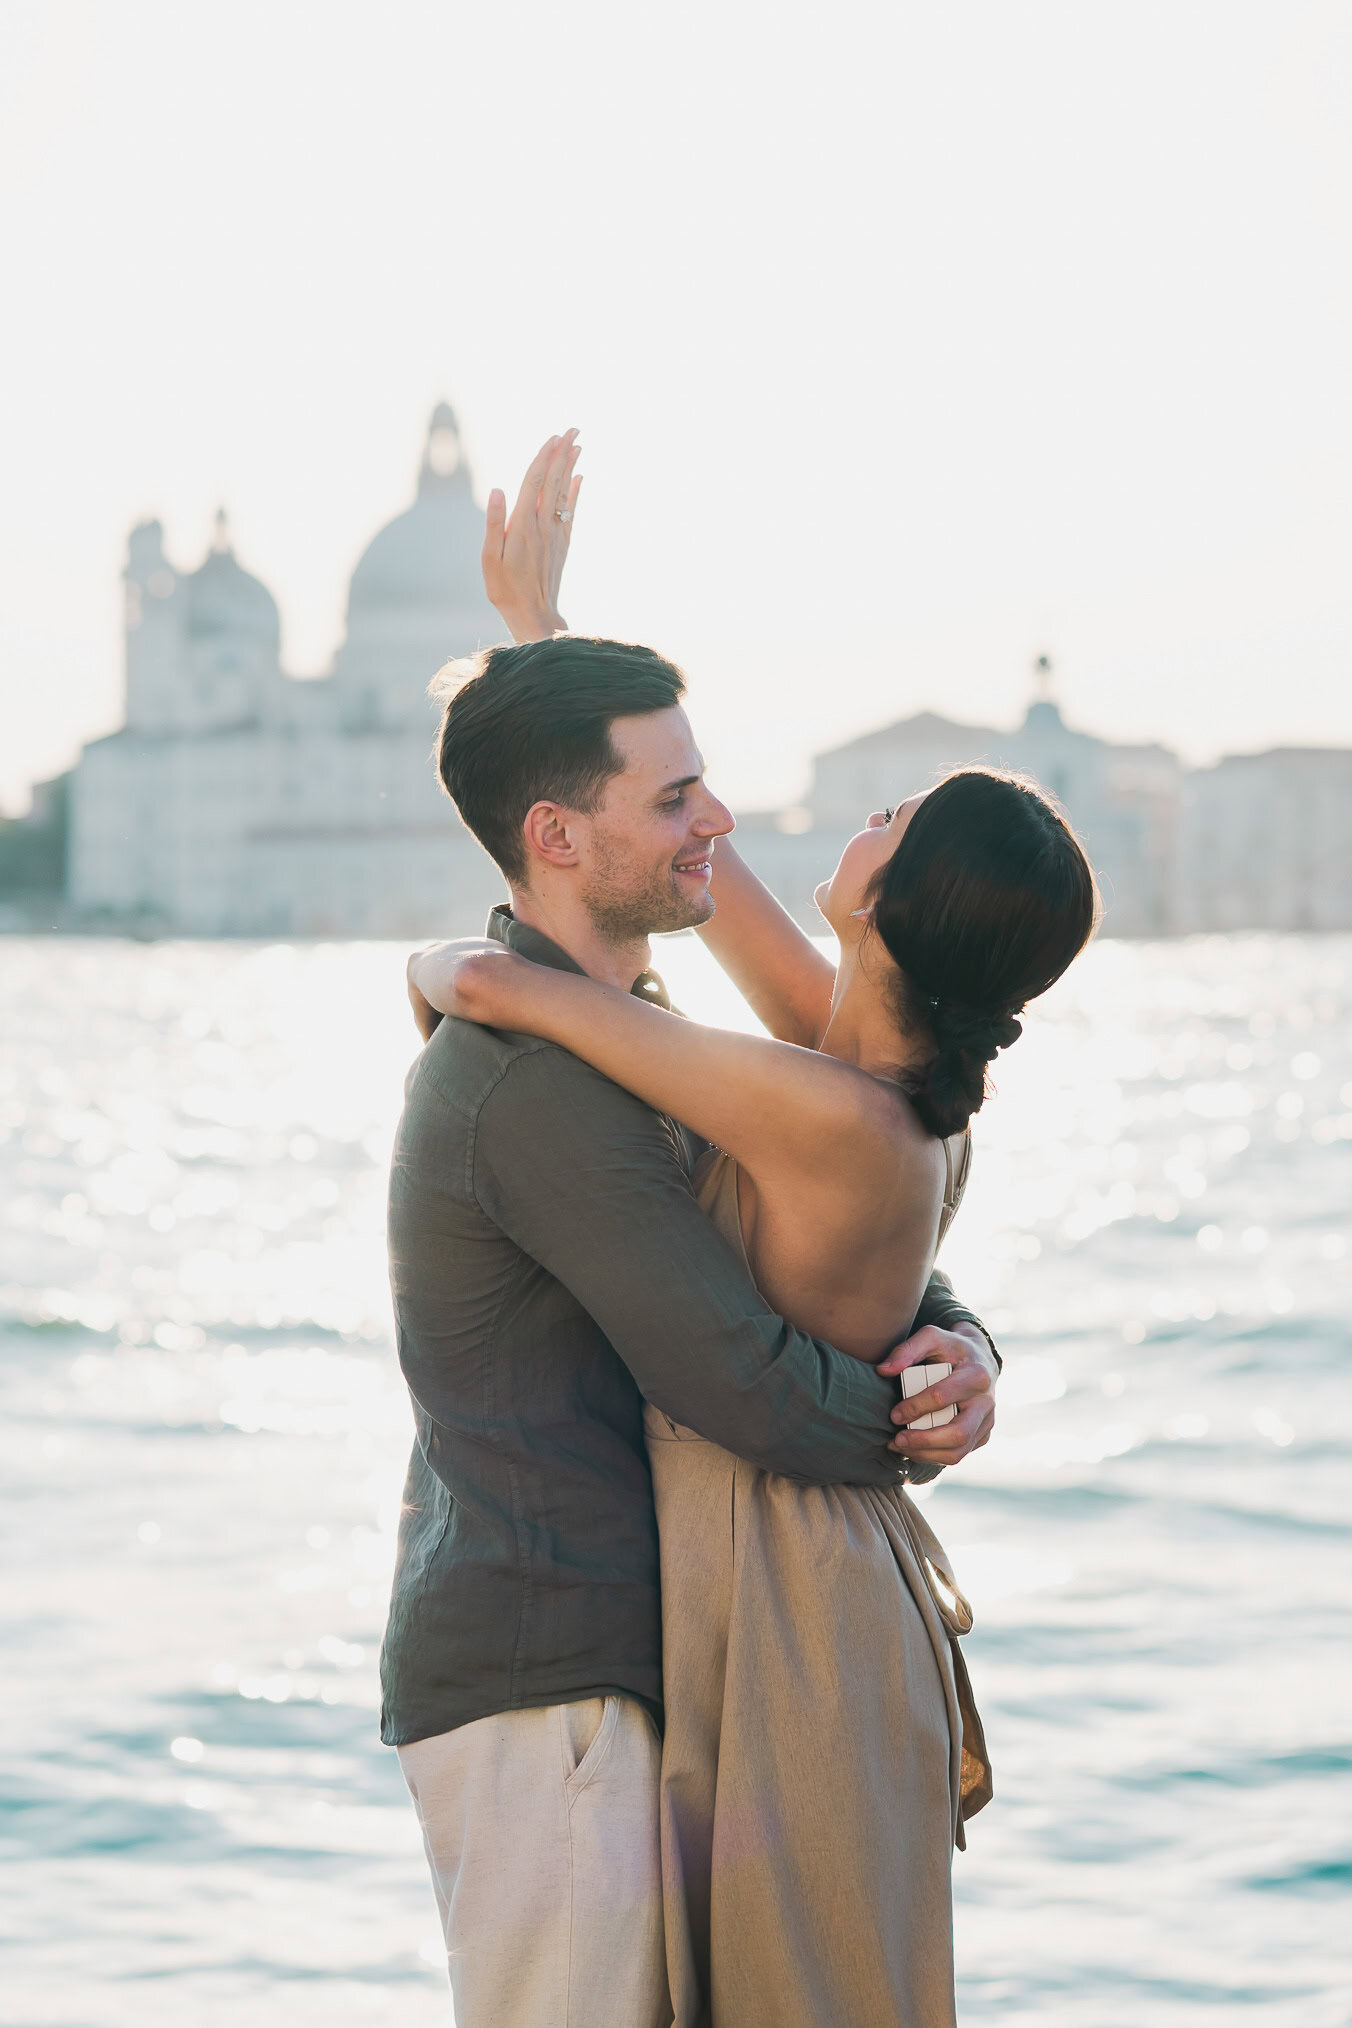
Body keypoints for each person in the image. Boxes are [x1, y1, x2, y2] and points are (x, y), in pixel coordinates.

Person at [381, 435, 1005, 2028]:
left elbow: (835, 1210)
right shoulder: (538, 1085)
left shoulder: (629, 1031)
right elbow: (742, 1372)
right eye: (678, 795)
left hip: (637, 1658)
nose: (723, 816)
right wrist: (912, 1421)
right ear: (562, 841)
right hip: (549, 1685)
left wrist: (958, 1343)